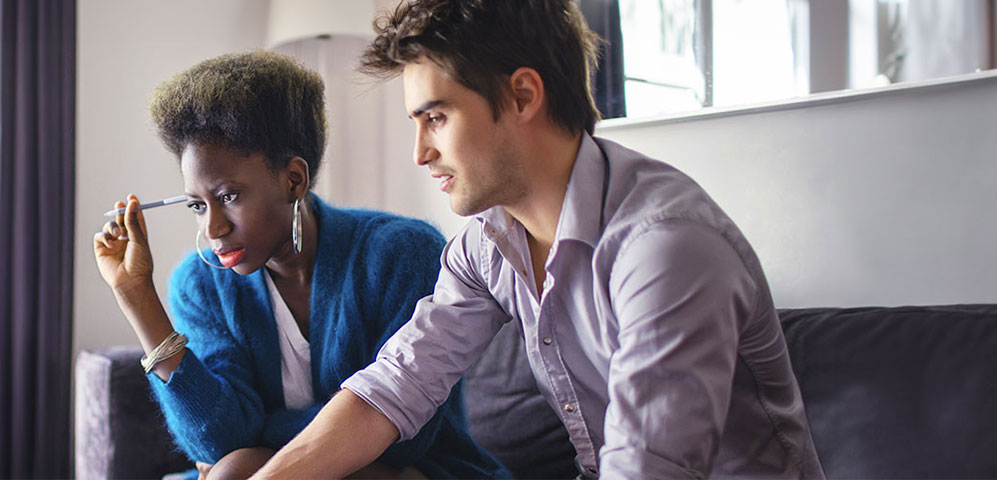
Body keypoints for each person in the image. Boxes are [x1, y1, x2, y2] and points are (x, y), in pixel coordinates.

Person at [251, 1, 826, 479]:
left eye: (437, 118)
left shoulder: (665, 249)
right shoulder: (486, 245)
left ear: (524, 96)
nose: (420, 152)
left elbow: (649, 467)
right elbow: (394, 386)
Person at [92, 50, 508, 479]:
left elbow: (402, 441)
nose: (213, 228)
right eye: (197, 205)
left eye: (228, 197)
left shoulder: (400, 253)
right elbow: (216, 441)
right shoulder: (201, 283)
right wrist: (137, 296)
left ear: (293, 179)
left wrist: (259, 435)